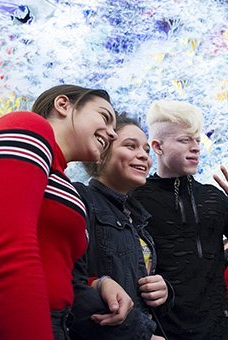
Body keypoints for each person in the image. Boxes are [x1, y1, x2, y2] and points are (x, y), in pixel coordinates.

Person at [0, 85, 135, 340]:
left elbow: (53, 263)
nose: (112, 134)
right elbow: (2, 252)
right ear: (63, 104)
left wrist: (97, 283)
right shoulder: (28, 126)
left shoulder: (60, 179)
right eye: (104, 117)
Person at [132, 100, 228, 339]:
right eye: (185, 140)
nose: (195, 148)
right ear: (157, 146)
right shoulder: (136, 196)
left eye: (198, 140)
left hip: (216, 327)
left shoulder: (213, 197)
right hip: (162, 328)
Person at [70, 114, 173, 340]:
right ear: (100, 153)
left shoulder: (136, 217)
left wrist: (163, 292)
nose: (143, 156)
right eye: (130, 146)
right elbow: (71, 284)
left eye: (146, 150)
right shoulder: (81, 199)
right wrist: (142, 335)